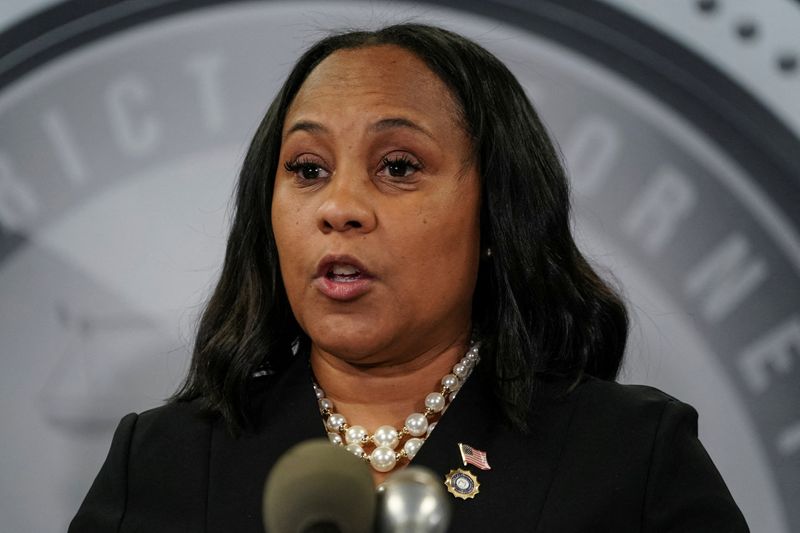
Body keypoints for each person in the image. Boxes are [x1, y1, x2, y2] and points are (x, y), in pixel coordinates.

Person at [69, 23, 748, 532]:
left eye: (397, 166)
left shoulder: (629, 458)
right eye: (308, 169)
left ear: (496, 211)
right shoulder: (164, 460)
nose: (338, 208)